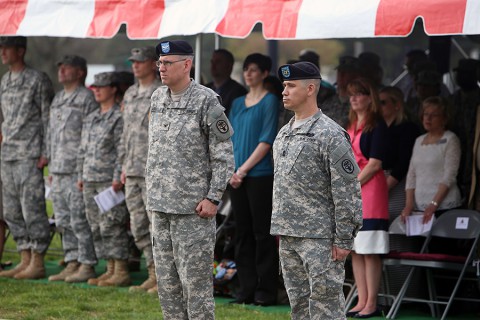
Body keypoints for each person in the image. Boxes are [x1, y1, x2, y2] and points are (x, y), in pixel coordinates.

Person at [146, 40, 234, 319]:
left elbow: (224, 155)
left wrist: (213, 197)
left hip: (193, 210)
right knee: (168, 285)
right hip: (160, 206)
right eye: (159, 63)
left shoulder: (207, 100)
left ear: (187, 65)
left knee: (195, 287)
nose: (161, 68)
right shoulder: (157, 98)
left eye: (167, 63)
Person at [272, 61, 362, 319]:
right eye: (284, 86)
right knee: (299, 308)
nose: (284, 91)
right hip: (288, 234)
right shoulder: (283, 134)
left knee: (326, 309)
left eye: (291, 86)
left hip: (320, 237)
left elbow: (348, 190)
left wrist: (344, 238)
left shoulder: (331, 134)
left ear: (310, 88)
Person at [0, 36, 54, 280]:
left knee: (32, 208)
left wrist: (46, 152)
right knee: (11, 210)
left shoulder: (37, 79)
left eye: (6, 48)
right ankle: (24, 258)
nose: (2, 53)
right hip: (8, 153)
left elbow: (47, 118)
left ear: (20, 51)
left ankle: (38, 260)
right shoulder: (5, 80)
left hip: (30, 154)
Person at [228, 53, 279, 306]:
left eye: (254, 69)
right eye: (246, 69)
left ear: (265, 73)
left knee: (262, 233)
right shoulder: (237, 103)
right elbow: (229, 138)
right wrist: (232, 170)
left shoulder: (270, 101)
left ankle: (266, 290)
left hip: (258, 175)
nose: (248, 73)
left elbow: (266, 140)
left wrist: (243, 170)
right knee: (242, 233)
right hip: (236, 175)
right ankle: (245, 289)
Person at [47, 55, 98, 283]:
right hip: (58, 168)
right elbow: (51, 133)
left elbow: (90, 136)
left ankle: (86, 263)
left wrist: (83, 169)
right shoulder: (58, 98)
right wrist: (49, 162)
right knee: (63, 219)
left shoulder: (87, 98)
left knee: (79, 218)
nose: (62, 71)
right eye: (60, 67)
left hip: (76, 169)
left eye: (67, 68)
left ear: (80, 72)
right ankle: (71, 261)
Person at [77, 72, 130, 287]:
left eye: (102, 86)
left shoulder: (119, 116)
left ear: (113, 89)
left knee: (112, 225)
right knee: (96, 226)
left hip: (109, 181)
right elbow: (83, 150)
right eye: (94, 87)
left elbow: (122, 148)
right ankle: (109, 269)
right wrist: (81, 174)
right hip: (90, 179)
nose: (96, 90)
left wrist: (118, 175)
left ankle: (121, 270)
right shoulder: (91, 117)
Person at [119, 47, 161, 293]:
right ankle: (151, 272)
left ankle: (162, 276)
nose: (135, 65)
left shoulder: (161, 92)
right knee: (137, 225)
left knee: (155, 226)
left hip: (152, 170)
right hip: (132, 169)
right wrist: (123, 165)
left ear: (152, 64)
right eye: (133, 61)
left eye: (140, 61)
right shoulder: (131, 93)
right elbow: (126, 134)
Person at [346, 78, 389, 318]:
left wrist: (351, 185)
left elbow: (375, 164)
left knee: (370, 250)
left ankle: (372, 302)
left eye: (359, 94)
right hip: (354, 193)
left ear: (369, 98)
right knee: (356, 249)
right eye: (351, 94)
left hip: (370, 193)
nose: (353, 98)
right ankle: (361, 300)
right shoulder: (351, 125)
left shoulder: (377, 126)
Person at [401, 96, 462, 224]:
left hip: (444, 207)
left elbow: (449, 175)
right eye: (425, 114)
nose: (428, 118)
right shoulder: (419, 140)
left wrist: (434, 204)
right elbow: (412, 175)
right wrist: (408, 204)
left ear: (444, 119)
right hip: (419, 208)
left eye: (434, 115)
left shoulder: (451, 139)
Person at [380, 86, 420, 218]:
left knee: (396, 227)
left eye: (383, 102)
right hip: (379, 180)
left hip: (398, 183)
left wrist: (384, 187)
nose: (379, 106)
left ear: (397, 104)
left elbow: (404, 162)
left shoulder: (408, 128)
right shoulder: (378, 129)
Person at [322, 56, 362, 127]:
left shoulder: (359, 104)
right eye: (339, 71)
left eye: (347, 72)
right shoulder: (327, 101)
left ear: (355, 76)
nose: (341, 74)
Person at [206, 49, 247, 116]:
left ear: (229, 66)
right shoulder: (204, 88)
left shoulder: (238, 92)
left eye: (218, 62)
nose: (213, 65)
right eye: (212, 62)